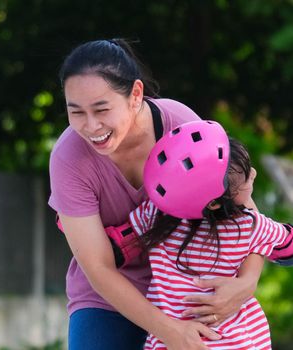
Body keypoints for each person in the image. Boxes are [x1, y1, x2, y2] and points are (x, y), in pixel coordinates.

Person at [48, 38, 266, 350]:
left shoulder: (179, 126)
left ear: (135, 95)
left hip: (189, 290)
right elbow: (98, 268)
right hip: (109, 299)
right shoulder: (69, 159)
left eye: (102, 108)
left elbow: (242, 208)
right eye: (76, 112)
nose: (91, 125)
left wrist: (245, 283)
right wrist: (169, 330)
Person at [104, 120, 291, 349]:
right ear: (214, 203)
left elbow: (116, 246)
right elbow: (288, 246)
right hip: (235, 342)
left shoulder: (156, 216)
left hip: (171, 341)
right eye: (247, 181)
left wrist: (77, 223)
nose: (253, 173)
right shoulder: (249, 226)